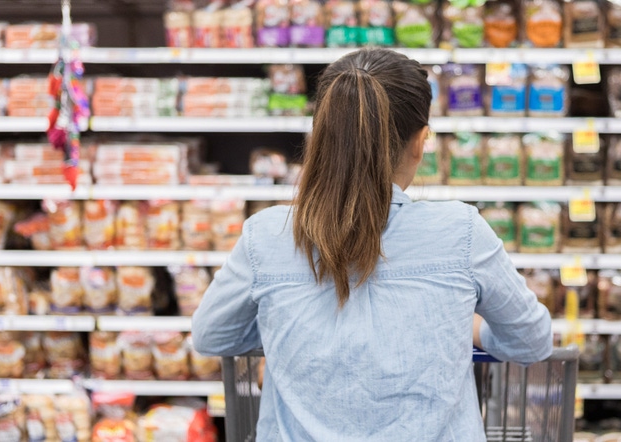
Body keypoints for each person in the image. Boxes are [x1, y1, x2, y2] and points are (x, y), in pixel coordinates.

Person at [191, 48, 552, 441]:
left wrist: (288, 327)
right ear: (419, 142)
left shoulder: (266, 235)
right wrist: (470, 328)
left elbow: (212, 336)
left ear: (322, 136)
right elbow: (532, 341)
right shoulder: (462, 231)